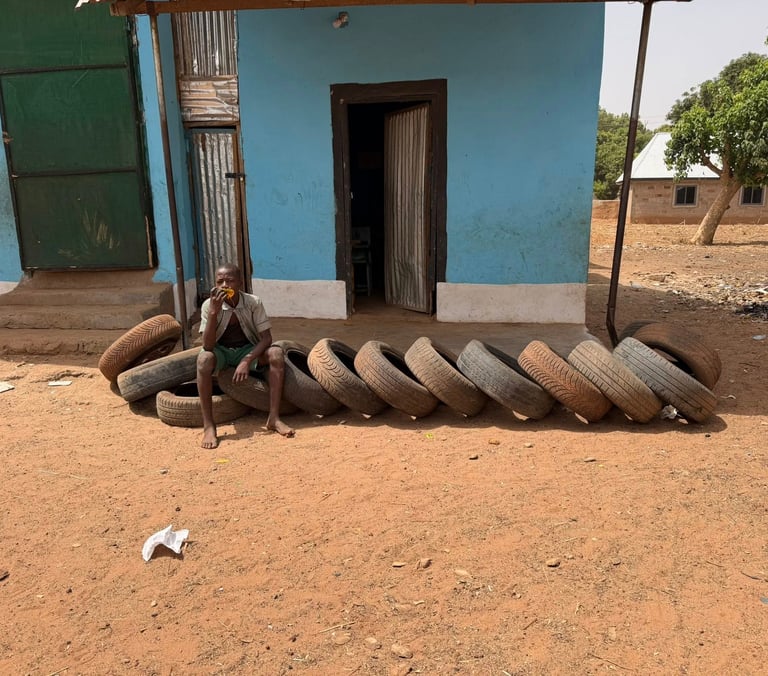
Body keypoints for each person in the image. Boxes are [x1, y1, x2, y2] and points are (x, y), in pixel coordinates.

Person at [197, 263, 294, 448]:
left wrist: (246, 360)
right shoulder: (209, 305)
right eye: (220, 282)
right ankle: (208, 426)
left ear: (240, 283)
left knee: (275, 353)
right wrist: (213, 313)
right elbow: (207, 346)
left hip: (247, 349)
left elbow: (267, 338)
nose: (224, 285)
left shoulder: (253, 302)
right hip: (221, 351)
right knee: (203, 359)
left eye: (230, 281)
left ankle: (274, 418)